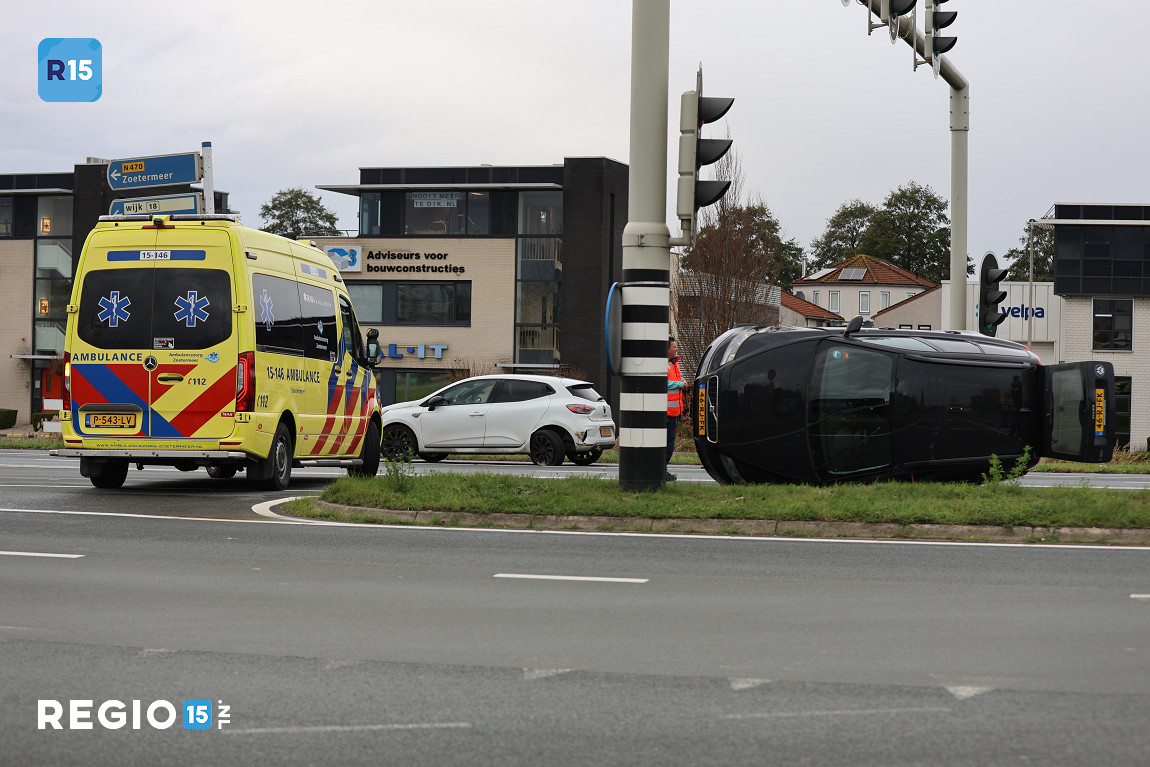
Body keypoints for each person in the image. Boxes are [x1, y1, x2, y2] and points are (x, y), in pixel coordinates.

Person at [666, 337, 687, 482]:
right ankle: (661, 470)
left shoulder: (675, 364)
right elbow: (663, 382)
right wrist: (680, 384)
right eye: (674, 346)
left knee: (670, 443)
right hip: (665, 412)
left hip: (674, 412)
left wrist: (682, 383)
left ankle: (663, 469)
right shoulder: (662, 364)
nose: (676, 349)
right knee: (666, 443)